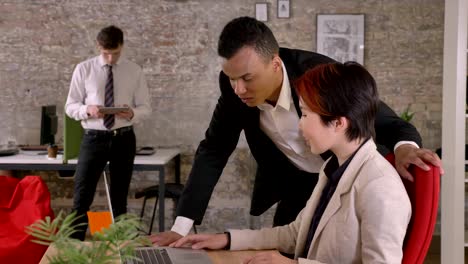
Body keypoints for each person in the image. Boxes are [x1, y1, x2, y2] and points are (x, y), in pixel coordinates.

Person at [150, 16, 441, 246]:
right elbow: (213, 149)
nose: (238, 89)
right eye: (231, 78)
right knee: (279, 247)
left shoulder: (319, 76)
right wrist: (182, 227)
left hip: (346, 180)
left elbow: (391, 123)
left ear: (275, 64)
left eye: (247, 78)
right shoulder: (234, 87)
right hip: (296, 184)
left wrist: (405, 148)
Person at [170, 61, 412, 264]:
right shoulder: (333, 169)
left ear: (338, 123)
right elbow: (296, 234)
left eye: (306, 115)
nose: (299, 124)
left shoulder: (380, 187)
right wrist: (226, 239)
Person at [65, 25, 151, 240]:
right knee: (82, 197)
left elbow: (146, 107)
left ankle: (120, 249)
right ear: (98, 47)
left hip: (123, 139)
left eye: (116, 53)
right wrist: (88, 110)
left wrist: (131, 113)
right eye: (106, 53)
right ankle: (74, 248)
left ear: (122, 46)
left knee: (119, 198)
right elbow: (70, 106)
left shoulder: (134, 71)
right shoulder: (84, 69)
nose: (111, 58)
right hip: (93, 139)